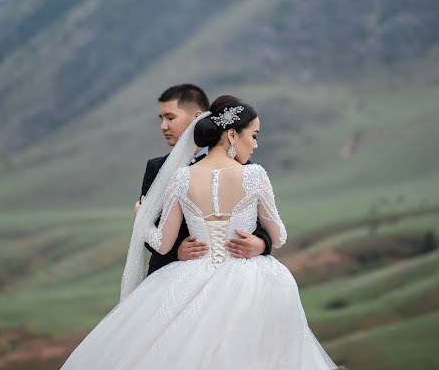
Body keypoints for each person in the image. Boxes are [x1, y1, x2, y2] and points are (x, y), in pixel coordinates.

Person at [60, 95, 337, 369]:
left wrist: (141, 219)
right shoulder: (254, 175)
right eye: (253, 136)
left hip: (190, 275)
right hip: (250, 279)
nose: (255, 144)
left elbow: (162, 244)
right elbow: (278, 236)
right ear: (231, 135)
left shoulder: (181, 177)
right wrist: (261, 243)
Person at [137, 84, 272, 275]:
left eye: (170, 117)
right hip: (171, 277)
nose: (163, 126)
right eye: (161, 118)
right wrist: (177, 252)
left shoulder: (242, 165)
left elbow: (263, 222)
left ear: (196, 116)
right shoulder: (156, 168)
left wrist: (260, 244)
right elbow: (150, 231)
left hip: (234, 276)